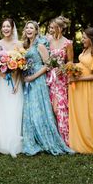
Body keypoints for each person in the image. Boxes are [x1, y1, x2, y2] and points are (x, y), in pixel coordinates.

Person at [22, 21, 73, 156]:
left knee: (39, 110)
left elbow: (48, 65)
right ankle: (33, 139)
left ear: (36, 31)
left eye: (31, 28)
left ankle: (48, 139)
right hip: (28, 81)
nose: (28, 30)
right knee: (30, 111)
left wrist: (33, 77)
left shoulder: (39, 45)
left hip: (37, 81)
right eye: (27, 27)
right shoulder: (26, 45)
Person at [0, 18, 23, 157]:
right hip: (2, 81)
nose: (6, 29)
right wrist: (2, 75)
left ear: (12, 27)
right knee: (2, 110)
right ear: (1, 29)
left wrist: (17, 83)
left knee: (15, 109)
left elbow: (21, 66)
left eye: (8, 26)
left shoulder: (19, 44)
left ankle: (13, 142)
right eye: (4, 26)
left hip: (15, 81)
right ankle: (1, 142)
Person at [46, 16, 74, 145]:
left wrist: (62, 68)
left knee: (60, 108)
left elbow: (70, 62)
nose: (52, 30)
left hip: (61, 79)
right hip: (49, 78)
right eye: (52, 27)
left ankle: (65, 138)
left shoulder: (67, 43)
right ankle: (54, 138)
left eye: (55, 27)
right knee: (52, 107)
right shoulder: (48, 40)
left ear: (61, 28)